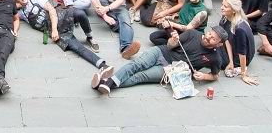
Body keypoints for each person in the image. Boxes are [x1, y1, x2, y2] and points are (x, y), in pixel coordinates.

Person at [91, 26, 226, 94]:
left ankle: (104, 82)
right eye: (209, 33)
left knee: (140, 77)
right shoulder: (192, 34)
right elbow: (169, 45)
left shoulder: (215, 58)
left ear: (219, 44)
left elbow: (215, 76)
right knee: (137, 64)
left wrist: (203, 76)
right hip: (161, 51)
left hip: (171, 69)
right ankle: (108, 83)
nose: (208, 37)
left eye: (213, 38)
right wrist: (173, 41)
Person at [219, 0, 258, 85]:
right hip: (232, 50)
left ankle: (240, 68)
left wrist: (243, 74)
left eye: (225, 6)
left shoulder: (239, 28)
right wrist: (230, 61)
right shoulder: (224, 19)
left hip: (240, 57)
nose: (221, 8)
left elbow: (242, 53)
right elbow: (226, 39)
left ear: (233, 10)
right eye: (222, 5)